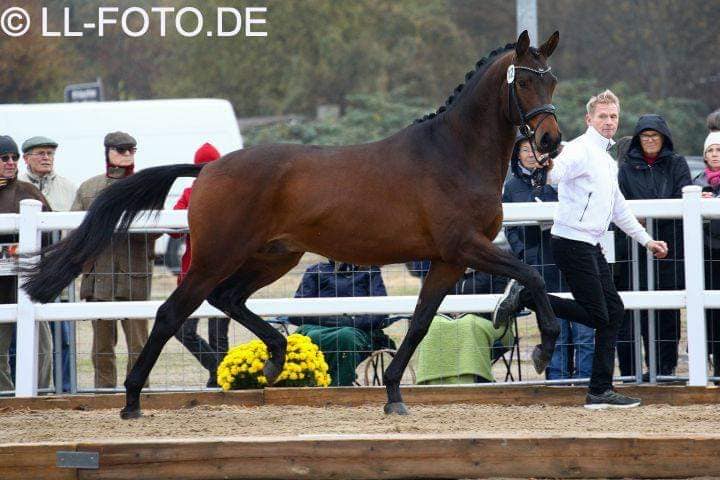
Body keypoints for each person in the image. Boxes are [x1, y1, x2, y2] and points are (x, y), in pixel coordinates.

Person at [493, 90, 669, 409]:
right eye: (602, 116)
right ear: (589, 119)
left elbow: (618, 208)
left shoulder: (606, 159)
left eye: (613, 116)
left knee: (612, 313)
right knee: (600, 315)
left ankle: (599, 391)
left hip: (589, 245)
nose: (609, 122)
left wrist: (646, 240)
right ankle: (528, 296)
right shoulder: (580, 150)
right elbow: (558, 172)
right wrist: (548, 166)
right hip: (572, 243)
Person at [503, 134, 594, 380]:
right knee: (556, 326)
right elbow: (510, 228)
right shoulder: (511, 187)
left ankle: (587, 379)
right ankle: (558, 381)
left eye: (535, 149)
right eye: (525, 150)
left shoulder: (558, 179)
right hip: (540, 264)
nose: (531, 154)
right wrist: (525, 254)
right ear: (517, 155)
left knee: (585, 328)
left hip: (570, 258)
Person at [71, 132, 153, 389]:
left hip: (134, 276)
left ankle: (138, 391)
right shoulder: (88, 188)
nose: (127, 154)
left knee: (139, 345)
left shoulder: (146, 186)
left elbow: (157, 228)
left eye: (132, 149)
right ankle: (103, 393)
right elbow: (74, 230)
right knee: (102, 347)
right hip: (100, 278)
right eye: (121, 149)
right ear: (107, 151)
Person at [615, 115, 691, 380]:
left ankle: (664, 370)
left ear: (664, 138)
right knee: (630, 314)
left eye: (654, 136)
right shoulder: (625, 167)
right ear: (637, 139)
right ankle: (630, 373)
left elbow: (683, 195)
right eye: (645, 136)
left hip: (669, 250)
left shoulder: (677, 163)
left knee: (666, 314)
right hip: (633, 252)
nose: (649, 140)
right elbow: (620, 201)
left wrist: (649, 213)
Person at [19, 136, 77, 392]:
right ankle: (34, 390)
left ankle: (64, 389)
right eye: (40, 153)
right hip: (23, 275)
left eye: (50, 153)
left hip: (58, 274)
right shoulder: (16, 186)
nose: (46, 157)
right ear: (26, 158)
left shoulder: (67, 188)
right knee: (25, 340)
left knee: (63, 339)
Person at [171, 143, 230, 388]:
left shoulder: (232, 195)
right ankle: (219, 369)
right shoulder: (189, 193)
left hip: (222, 273)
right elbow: (174, 231)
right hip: (194, 274)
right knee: (183, 329)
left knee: (217, 334)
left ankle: (220, 378)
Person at [0, 135, 53, 393]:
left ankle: (41, 394)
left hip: (29, 282)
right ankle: (7, 397)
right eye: (4, 158)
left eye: (14, 158)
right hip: (0, 287)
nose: (10, 163)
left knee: (42, 347)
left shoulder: (28, 191)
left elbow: (52, 231)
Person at [287, 260, 395, 386]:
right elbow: (295, 313)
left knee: (345, 336)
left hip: (357, 330)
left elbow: (380, 314)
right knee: (314, 336)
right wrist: (334, 320)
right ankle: (320, 384)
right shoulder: (315, 271)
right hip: (318, 327)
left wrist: (347, 321)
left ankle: (339, 386)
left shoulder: (370, 271)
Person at [693, 131, 720, 381]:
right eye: (710, 151)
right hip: (706, 255)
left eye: (718, 150)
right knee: (709, 316)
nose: (714, 155)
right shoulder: (697, 182)